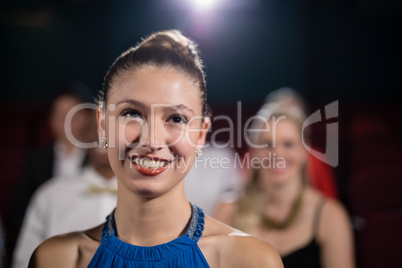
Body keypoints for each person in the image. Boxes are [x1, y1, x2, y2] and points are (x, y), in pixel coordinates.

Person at [29, 30, 283, 267]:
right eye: (132, 113)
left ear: (201, 133)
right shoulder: (55, 259)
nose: (151, 140)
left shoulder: (251, 260)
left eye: (176, 118)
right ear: (103, 125)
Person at [214, 106, 355, 268]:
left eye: (288, 144)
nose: (277, 154)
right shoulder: (228, 212)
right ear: (254, 154)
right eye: (267, 144)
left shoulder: (330, 215)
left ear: (304, 152)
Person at [12, 112, 117, 268]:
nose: (99, 135)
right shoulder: (50, 194)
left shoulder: (147, 195)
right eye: (91, 129)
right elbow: (24, 259)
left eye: (110, 129)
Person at [7, 84, 92, 262]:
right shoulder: (36, 160)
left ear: (86, 118)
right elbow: (19, 211)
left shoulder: (97, 160)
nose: (67, 121)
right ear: (51, 120)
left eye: (74, 114)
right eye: (60, 115)